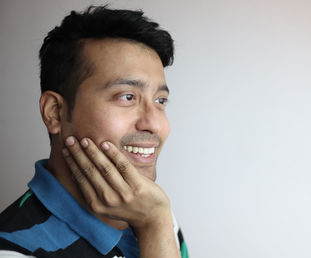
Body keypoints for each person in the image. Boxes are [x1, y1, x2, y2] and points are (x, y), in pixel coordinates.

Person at [0, 6, 189, 258]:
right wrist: (155, 225)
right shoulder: (13, 250)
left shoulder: (156, 213)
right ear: (54, 112)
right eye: (127, 96)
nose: (154, 124)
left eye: (160, 101)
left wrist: (156, 226)